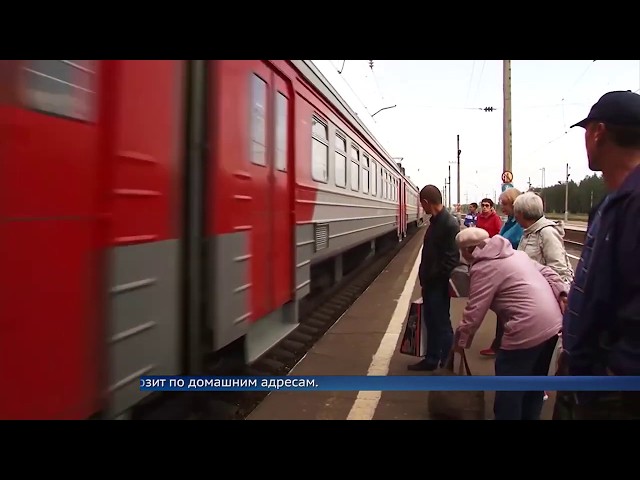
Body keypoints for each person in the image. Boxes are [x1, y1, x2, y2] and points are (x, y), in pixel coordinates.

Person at [553, 90, 640, 420]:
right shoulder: (609, 205)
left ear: (597, 132)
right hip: (587, 376)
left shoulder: (634, 203)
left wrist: (615, 377)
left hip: (614, 391)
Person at [452, 228, 568, 420]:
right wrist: (562, 293)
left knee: (509, 390)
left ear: (468, 250)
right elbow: (548, 271)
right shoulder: (516, 254)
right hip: (552, 324)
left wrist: (461, 340)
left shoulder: (483, 268)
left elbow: (475, 310)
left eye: (462, 251)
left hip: (526, 328)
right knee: (534, 384)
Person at [408, 185, 460, 371]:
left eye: (423, 205)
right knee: (431, 321)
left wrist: (432, 277)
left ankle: (446, 363)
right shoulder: (437, 222)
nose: (423, 209)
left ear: (426, 202)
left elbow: (451, 259)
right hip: (431, 284)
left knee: (442, 323)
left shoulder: (449, 224)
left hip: (438, 284)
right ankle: (431, 359)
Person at [479, 188, 525, 357]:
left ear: (515, 204)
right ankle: (499, 344)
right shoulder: (509, 222)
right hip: (503, 271)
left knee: (509, 312)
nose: (501, 207)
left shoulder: (521, 224)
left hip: (514, 273)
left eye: (504, 204)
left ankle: (505, 346)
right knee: (503, 311)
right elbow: (499, 240)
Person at [513, 191, 574, 285]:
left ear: (522, 213)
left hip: (544, 292)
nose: (515, 216)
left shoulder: (547, 233)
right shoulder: (528, 232)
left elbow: (559, 270)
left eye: (516, 211)